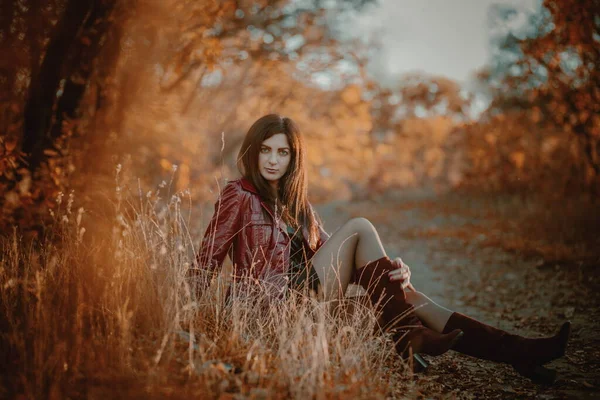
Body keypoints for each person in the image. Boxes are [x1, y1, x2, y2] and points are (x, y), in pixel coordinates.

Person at [191, 114, 570, 384]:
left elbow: (342, 262)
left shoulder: (299, 207)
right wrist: (187, 321)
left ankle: (518, 352)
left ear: (295, 157)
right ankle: (408, 336)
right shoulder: (238, 194)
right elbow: (207, 258)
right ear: (253, 152)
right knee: (359, 225)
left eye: (284, 152)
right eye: (266, 150)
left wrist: (393, 271)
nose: (273, 160)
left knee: (408, 294)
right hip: (270, 309)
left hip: (307, 305)